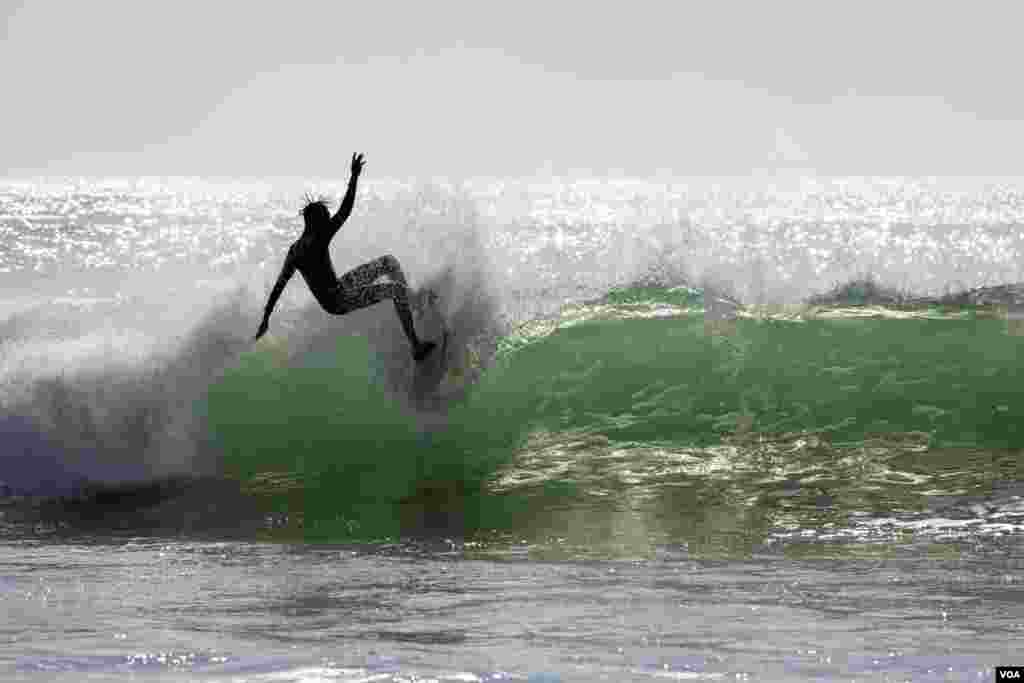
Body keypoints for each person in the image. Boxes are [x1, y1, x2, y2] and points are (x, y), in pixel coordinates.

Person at [253, 153, 438, 361]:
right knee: (395, 289)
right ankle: (416, 346)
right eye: (326, 219)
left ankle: (411, 302)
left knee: (389, 262)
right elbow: (346, 210)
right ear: (317, 222)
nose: (330, 221)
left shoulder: (296, 250)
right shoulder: (319, 237)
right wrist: (354, 176)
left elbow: (278, 287)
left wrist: (265, 318)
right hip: (338, 302)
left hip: (340, 287)